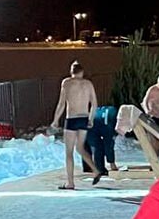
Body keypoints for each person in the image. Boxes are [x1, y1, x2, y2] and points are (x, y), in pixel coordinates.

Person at [50, 60, 99, 190]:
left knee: (69, 152)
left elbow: (61, 104)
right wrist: (91, 118)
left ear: (71, 72)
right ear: (82, 72)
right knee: (81, 148)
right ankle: (95, 170)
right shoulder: (88, 84)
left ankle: (70, 182)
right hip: (83, 118)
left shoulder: (66, 83)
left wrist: (55, 120)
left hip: (71, 119)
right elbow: (94, 104)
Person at [85, 104, 118, 181]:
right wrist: (112, 163)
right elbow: (108, 145)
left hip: (89, 123)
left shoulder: (112, 109)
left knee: (96, 147)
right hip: (92, 126)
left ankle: (98, 168)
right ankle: (99, 169)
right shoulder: (111, 123)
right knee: (100, 147)